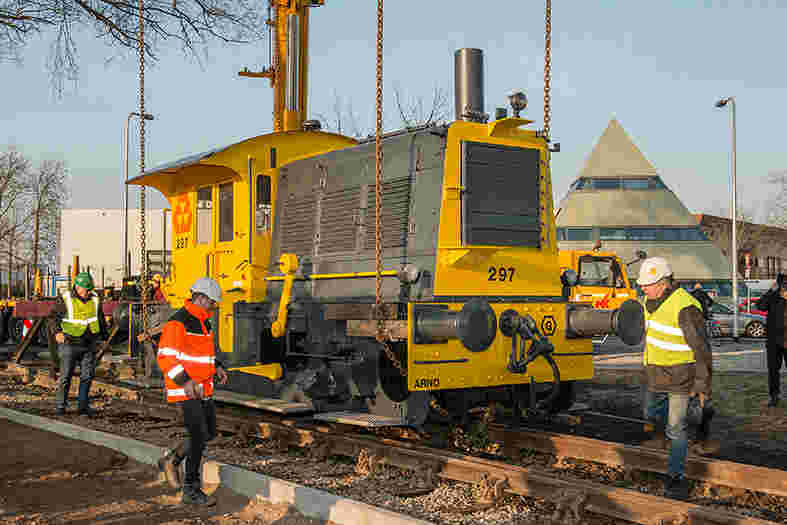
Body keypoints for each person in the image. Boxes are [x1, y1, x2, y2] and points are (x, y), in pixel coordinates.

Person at [637, 257, 714, 500]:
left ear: (663, 283)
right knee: (649, 414)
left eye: (647, 284)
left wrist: (702, 383)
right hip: (655, 375)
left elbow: (702, 348)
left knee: (675, 428)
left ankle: (675, 476)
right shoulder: (645, 302)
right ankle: (700, 415)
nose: (642, 288)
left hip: (681, 376)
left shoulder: (686, 306)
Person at [156, 277, 228, 506]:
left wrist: (217, 367)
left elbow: (203, 353)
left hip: (202, 387)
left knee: (209, 433)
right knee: (198, 437)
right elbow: (166, 357)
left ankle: (171, 459)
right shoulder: (179, 322)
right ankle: (191, 490)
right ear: (201, 298)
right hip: (185, 389)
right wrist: (185, 382)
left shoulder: (204, 322)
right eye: (212, 303)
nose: (214, 307)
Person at [47, 272, 108, 416]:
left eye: (89, 290)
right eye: (85, 290)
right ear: (78, 287)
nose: (88, 293)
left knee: (87, 376)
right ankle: (60, 407)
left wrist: (104, 339)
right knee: (65, 376)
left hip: (89, 344)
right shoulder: (66, 299)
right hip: (69, 343)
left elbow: (100, 320)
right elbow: (52, 317)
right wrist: (57, 332)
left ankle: (83, 407)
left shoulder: (95, 299)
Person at [755, 273, 786, 407]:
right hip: (774, 341)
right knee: (773, 370)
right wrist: (770, 291)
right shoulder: (773, 297)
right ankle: (774, 396)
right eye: (783, 284)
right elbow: (760, 305)